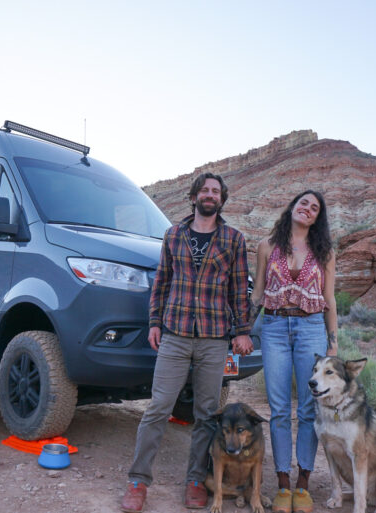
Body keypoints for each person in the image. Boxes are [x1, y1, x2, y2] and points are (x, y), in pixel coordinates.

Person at [121, 172, 253, 513]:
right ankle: (138, 480)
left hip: (213, 338)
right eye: (204, 190)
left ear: (221, 199)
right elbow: (161, 283)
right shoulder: (173, 235)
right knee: (158, 407)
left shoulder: (234, 239)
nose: (210, 195)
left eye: (216, 191)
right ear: (194, 196)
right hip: (175, 335)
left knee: (206, 414)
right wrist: (154, 322)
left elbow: (239, 290)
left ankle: (196, 479)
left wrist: (242, 331)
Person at [250, 190, 338, 513]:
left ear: (317, 218)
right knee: (279, 409)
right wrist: (244, 330)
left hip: (311, 328)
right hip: (273, 328)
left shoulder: (324, 252)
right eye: (304, 203)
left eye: (315, 208)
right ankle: (283, 485)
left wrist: (333, 342)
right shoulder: (267, 247)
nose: (308, 209)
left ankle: (303, 485)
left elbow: (329, 300)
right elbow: (258, 294)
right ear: (292, 206)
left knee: (310, 409)